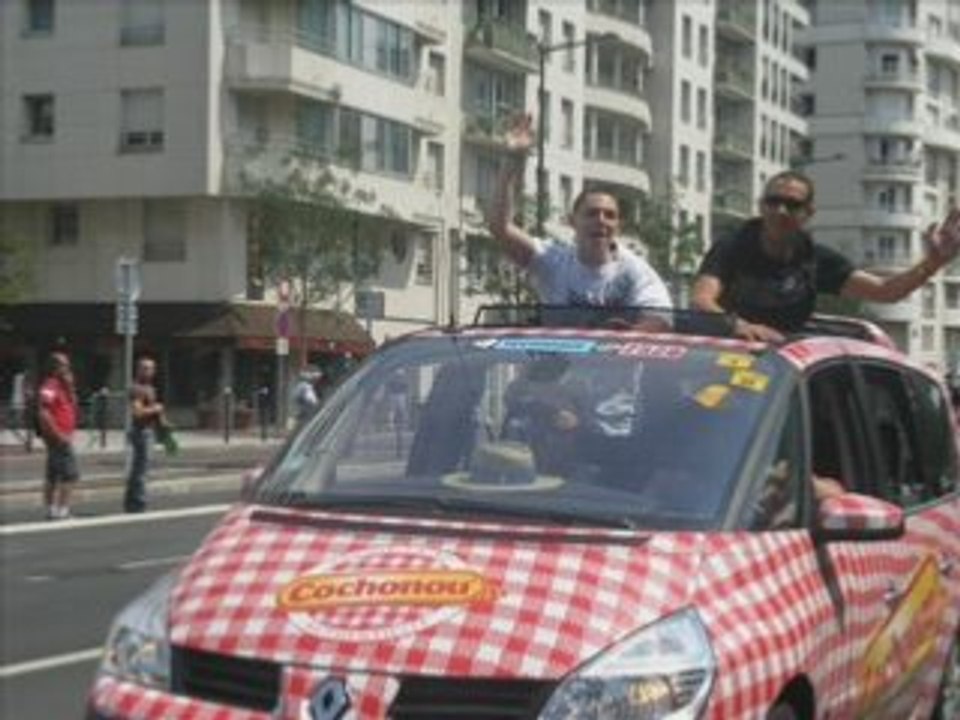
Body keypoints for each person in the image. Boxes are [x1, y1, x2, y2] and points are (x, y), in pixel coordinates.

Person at [692, 170, 960, 341]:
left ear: (808, 214)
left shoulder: (815, 259)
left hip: (789, 368)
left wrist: (934, 262)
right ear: (761, 207)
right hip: (727, 352)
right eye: (773, 202)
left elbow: (886, 291)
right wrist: (739, 327)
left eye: (793, 205)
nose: (781, 211)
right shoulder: (733, 246)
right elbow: (702, 299)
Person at [488, 114, 672, 312]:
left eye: (609, 215)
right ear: (572, 222)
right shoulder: (553, 261)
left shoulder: (636, 271)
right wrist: (511, 159)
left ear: (618, 226)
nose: (601, 221)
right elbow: (500, 228)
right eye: (592, 214)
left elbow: (659, 320)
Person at [37, 352, 80, 520]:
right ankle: (62, 510)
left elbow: (73, 405)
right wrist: (59, 434)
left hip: (61, 437)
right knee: (70, 474)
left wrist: (70, 387)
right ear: (54, 367)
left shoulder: (63, 386)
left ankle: (51, 510)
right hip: (59, 438)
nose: (67, 368)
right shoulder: (50, 385)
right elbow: (44, 412)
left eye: (67, 365)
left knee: (53, 474)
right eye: (64, 365)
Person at [124, 356, 165, 513]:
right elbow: (137, 412)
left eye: (151, 368)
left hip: (149, 430)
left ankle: (132, 502)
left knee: (140, 468)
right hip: (141, 431)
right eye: (145, 368)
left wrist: (163, 423)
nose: (148, 371)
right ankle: (138, 503)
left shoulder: (151, 388)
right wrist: (156, 409)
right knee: (141, 469)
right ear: (138, 370)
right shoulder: (137, 389)